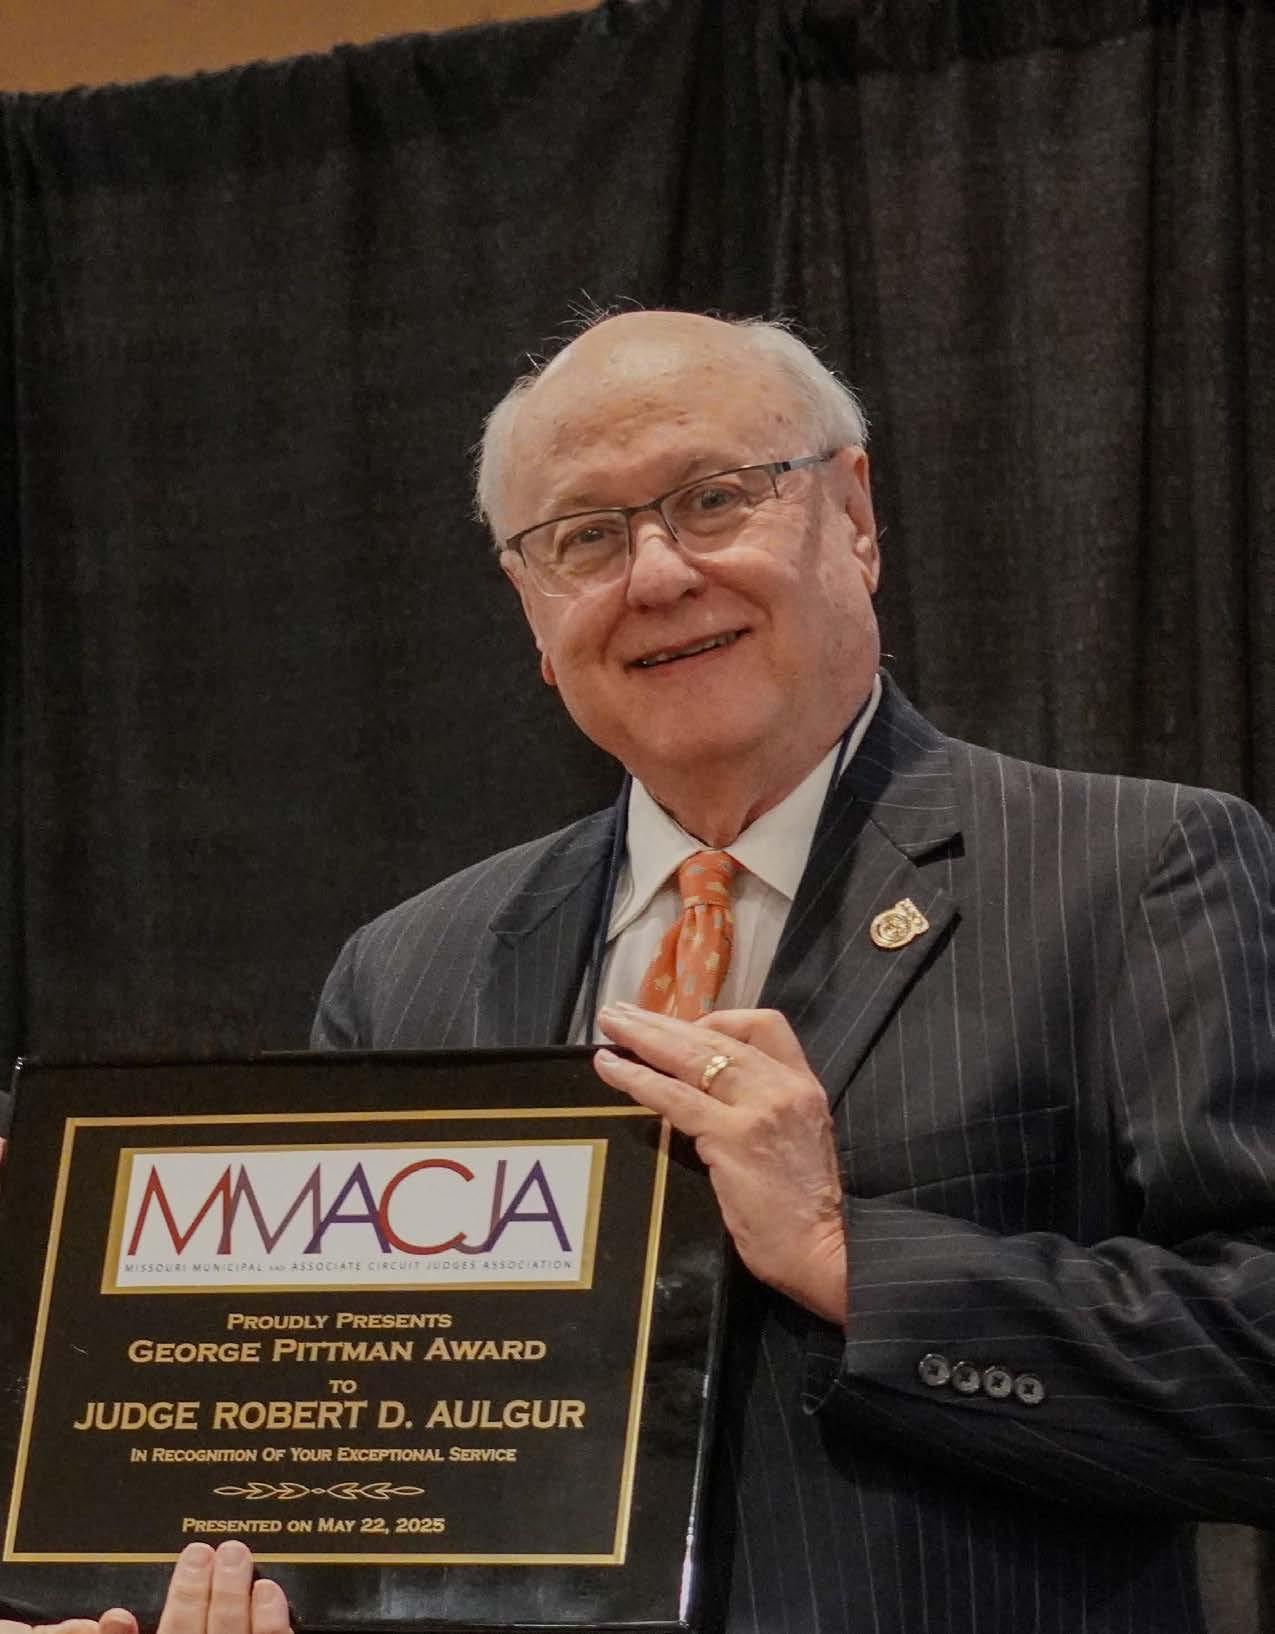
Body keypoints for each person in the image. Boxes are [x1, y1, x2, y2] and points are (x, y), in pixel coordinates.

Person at [307, 309, 1275, 1632]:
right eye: (584, 537)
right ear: (531, 610)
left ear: (854, 517)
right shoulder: (406, 969)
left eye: (713, 499)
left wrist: (840, 1251)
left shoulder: (1135, 871)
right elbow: (356, 1452)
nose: (657, 575)